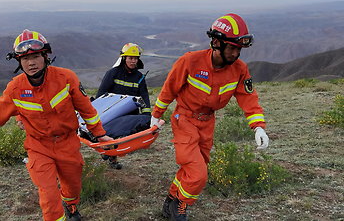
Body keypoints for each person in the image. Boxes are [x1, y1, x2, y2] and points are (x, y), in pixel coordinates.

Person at [150, 13, 270, 220]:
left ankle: (170, 199)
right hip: (184, 120)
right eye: (231, 48)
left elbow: (248, 99)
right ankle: (181, 206)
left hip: (208, 123)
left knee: (194, 168)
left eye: (238, 49)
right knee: (197, 174)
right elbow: (168, 90)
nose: (235, 54)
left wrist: (258, 126)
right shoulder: (190, 61)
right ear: (216, 43)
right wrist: (155, 116)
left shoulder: (240, 70)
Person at [0, 29, 113, 221]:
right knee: (48, 192)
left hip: (68, 143)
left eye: (35, 56)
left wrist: (100, 134)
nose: (31, 62)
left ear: (45, 56)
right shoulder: (15, 88)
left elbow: (87, 109)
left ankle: (71, 206)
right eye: (25, 58)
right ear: (19, 62)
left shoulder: (66, 78)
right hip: (38, 146)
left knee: (73, 186)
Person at [95, 42, 151, 169]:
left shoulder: (139, 77)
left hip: (130, 113)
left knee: (120, 136)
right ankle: (110, 155)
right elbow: (101, 94)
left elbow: (144, 96)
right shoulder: (113, 73)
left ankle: (111, 155)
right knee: (110, 135)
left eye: (136, 58)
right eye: (130, 58)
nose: (133, 61)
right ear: (124, 58)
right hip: (112, 112)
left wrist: (147, 115)